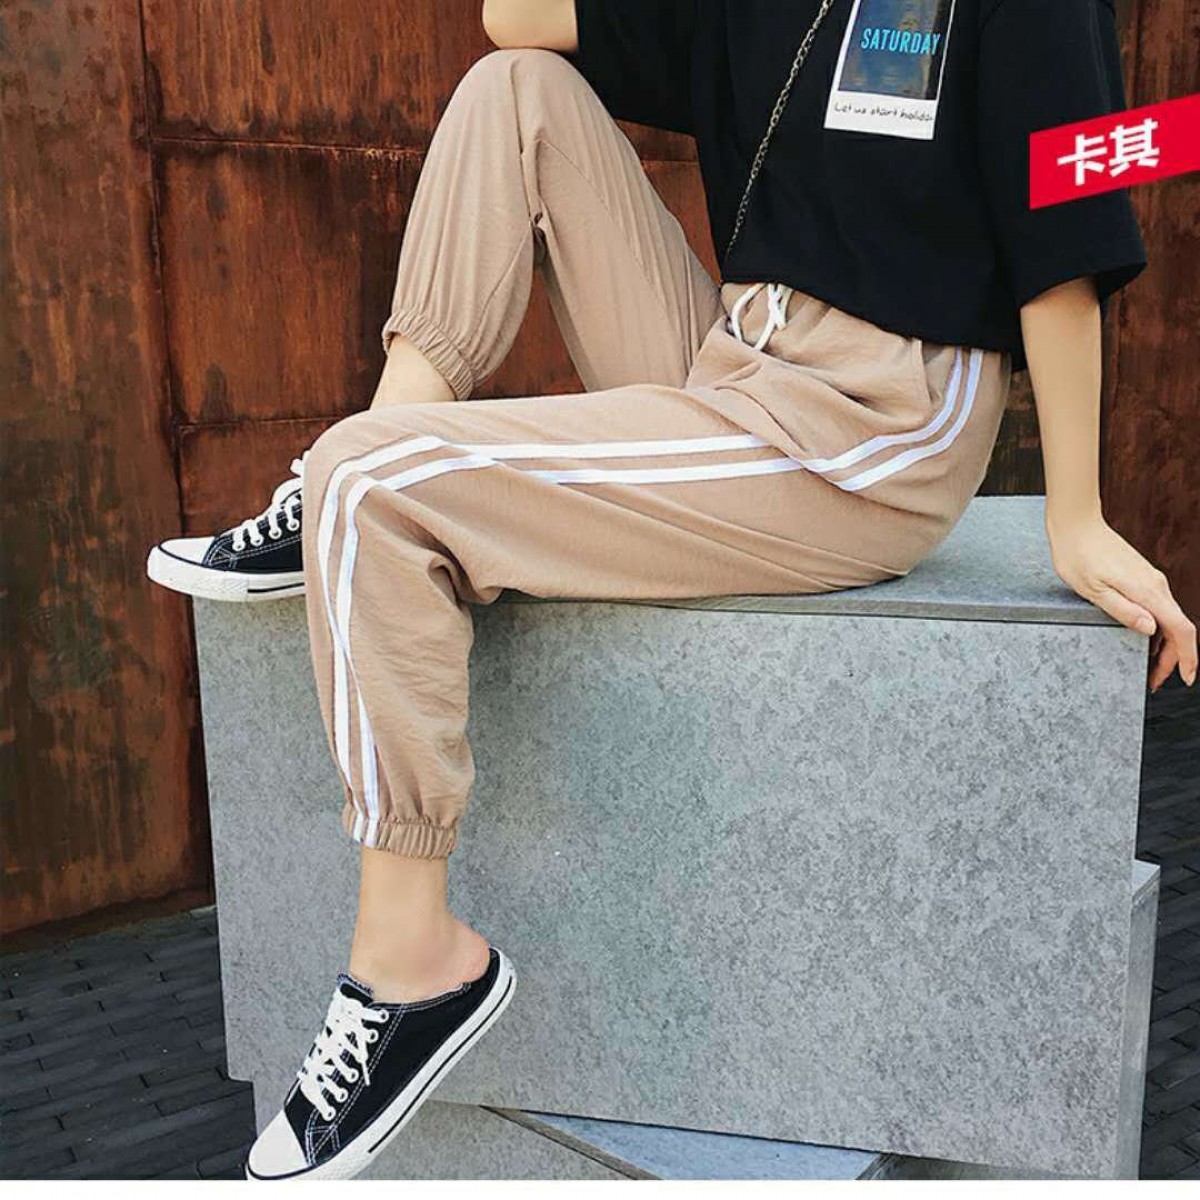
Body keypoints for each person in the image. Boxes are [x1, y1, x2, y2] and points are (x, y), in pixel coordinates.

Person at [145, 0, 1196, 1181]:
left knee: (369, 481)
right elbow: (514, 20)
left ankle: (412, 959)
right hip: (733, 353)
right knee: (515, 93)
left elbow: (1065, 219)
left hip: (873, 421)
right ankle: (366, 478)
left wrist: (1076, 514)